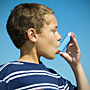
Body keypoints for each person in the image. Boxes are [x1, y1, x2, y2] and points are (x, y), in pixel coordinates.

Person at [0, 3, 90, 90]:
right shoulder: (6, 74)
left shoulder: (56, 78)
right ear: (33, 35)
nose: (59, 37)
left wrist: (76, 65)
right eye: (54, 30)